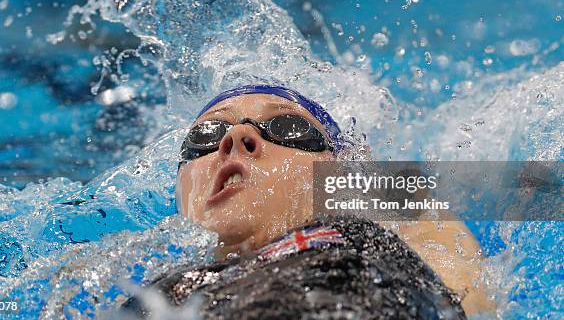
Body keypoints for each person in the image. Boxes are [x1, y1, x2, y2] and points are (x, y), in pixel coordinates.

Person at [123, 85, 492, 318]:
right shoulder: (161, 290)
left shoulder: (362, 243)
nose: (237, 136)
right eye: (205, 135)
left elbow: (470, 298)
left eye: (288, 129)